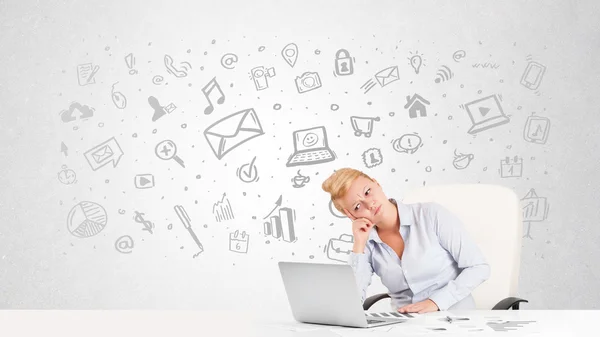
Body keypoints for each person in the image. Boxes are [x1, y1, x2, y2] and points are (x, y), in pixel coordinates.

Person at [321, 168, 490, 313]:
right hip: (406, 326)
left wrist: (436, 302)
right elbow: (351, 303)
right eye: (357, 207)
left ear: (376, 183)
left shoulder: (431, 215)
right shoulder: (367, 244)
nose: (369, 204)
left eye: (367, 192)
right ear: (351, 215)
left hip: (455, 318)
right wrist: (358, 245)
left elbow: (479, 268)